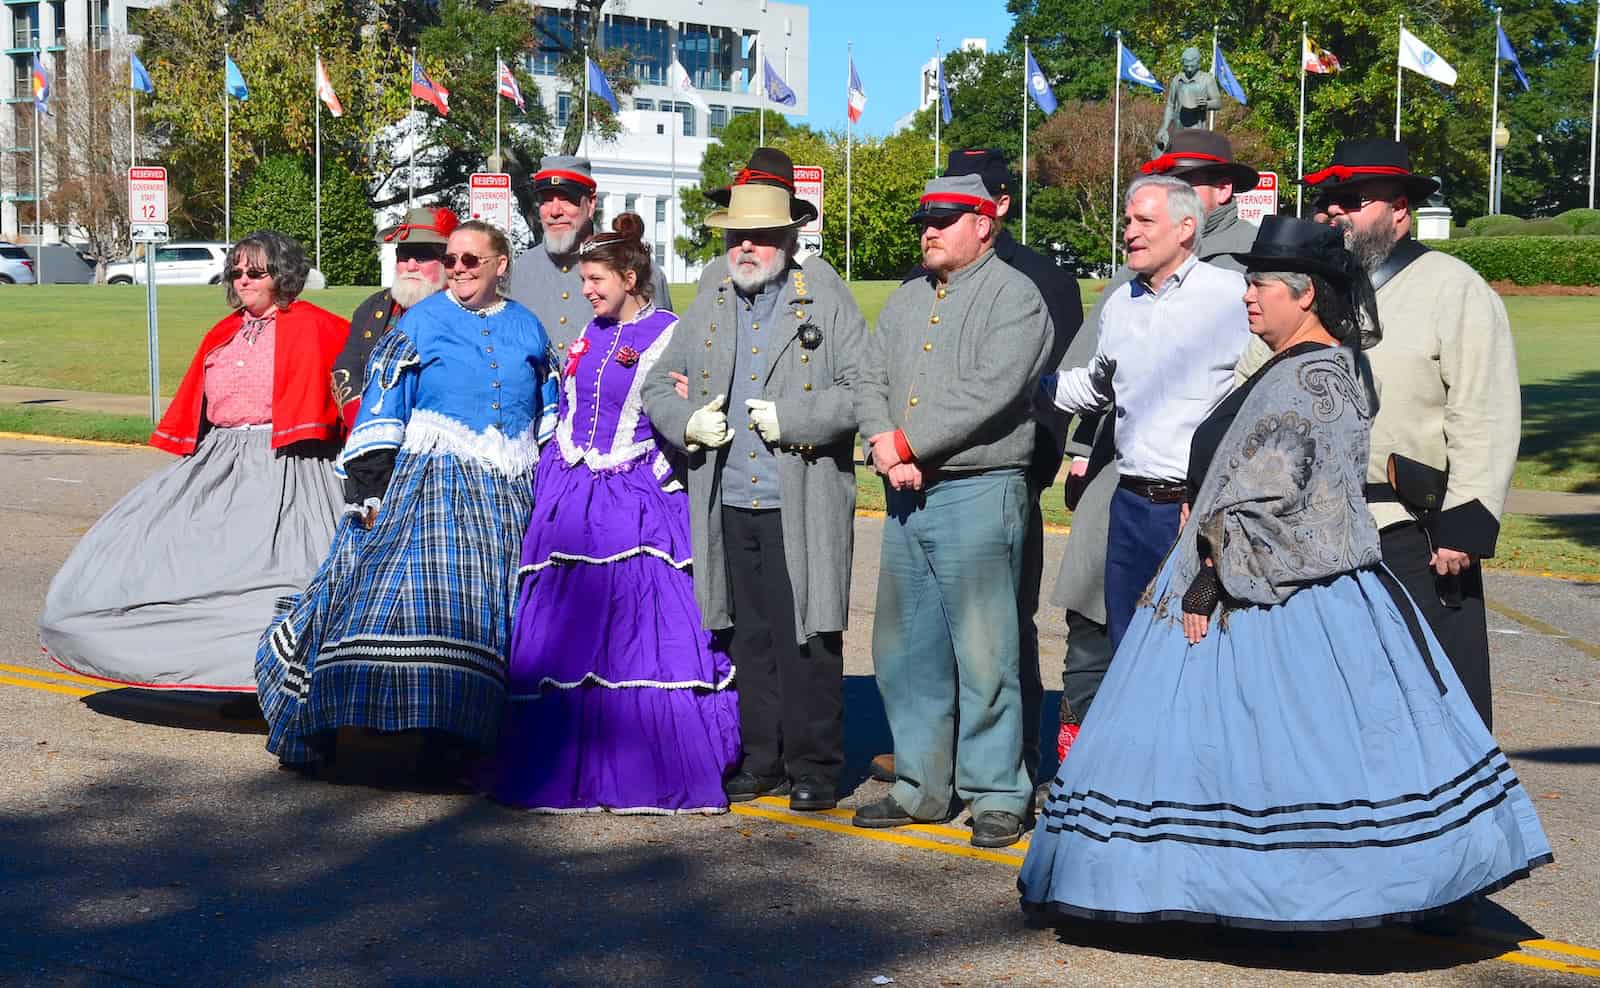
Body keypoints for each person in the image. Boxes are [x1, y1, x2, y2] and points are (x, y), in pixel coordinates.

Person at [1020, 216, 1551, 929]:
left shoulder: (1312, 377)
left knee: (1273, 745)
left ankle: (1260, 890)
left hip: (1264, 592)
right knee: (1236, 750)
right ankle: (1199, 883)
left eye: (1261, 284)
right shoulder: (1298, 364)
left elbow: (1279, 503)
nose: (1248, 297)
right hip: (1246, 572)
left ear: (1304, 295)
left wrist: (1210, 576)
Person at [256, 221, 559, 774]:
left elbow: (548, 411)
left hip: (510, 490)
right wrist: (369, 486)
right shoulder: (422, 322)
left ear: (501, 265)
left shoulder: (527, 328)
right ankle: (345, 725)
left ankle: (461, 742)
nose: (460, 269)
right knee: (403, 599)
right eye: (453, 259)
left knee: (491, 612)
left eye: (472, 260)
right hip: (431, 483)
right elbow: (383, 401)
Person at [1245, 138, 1516, 731]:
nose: (1336, 211)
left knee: (1437, 707)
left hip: (1413, 534)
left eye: (1355, 199)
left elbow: (1484, 410)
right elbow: (1248, 394)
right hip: (1306, 532)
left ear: (1400, 209)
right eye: (1331, 199)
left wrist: (1464, 524)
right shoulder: (1308, 289)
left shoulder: (1453, 286)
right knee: (1326, 706)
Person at [476, 213, 740, 814]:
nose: (587, 290)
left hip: (638, 493)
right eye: (584, 281)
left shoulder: (671, 332)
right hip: (570, 490)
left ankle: (645, 761)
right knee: (568, 630)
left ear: (630, 276)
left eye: (597, 280)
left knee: (639, 628)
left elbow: (683, 407)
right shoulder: (588, 334)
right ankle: (562, 760)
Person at [641, 148, 866, 813]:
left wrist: (797, 416)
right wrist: (685, 422)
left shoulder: (823, 288)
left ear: (788, 235)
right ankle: (760, 757)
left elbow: (862, 390)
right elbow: (658, 380)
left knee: (809, 636)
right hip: (728, 496)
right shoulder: (712, 286)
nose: (746, 247)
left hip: (802, 491)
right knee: (748, 635)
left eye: (761, 236)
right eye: (737, 235)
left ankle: (816, 767)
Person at [40, 231, 348, 694]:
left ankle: (272, 675)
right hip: (219, 461)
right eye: (237, 272)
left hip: (292, 467)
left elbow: (354, 401)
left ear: (283, 275)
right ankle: (215, 676)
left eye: (256, 272)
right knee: (154, 555)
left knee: (280, 572)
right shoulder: (224, 331)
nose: (243, 280)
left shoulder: (320, 327)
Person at [868, 147, 1084, 789]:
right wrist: (884, 439)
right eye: (924, 218)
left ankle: (995, 789)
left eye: (946, 216)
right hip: (906, 494)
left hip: (982, 489)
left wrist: (904, 445)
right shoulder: (908, 299)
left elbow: (991, 390)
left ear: (985, 222)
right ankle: (921, 784)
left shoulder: (1019, 297)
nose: (929, 229)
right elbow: (870, 378)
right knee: (906, 655)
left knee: (989, 654)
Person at [1048, 130, 1259, 765]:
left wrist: (1219, 496)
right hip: (1130, 502)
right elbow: (1096, 383)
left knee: (1197, 645)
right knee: (1122, 642)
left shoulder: (1235, 290)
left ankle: (1192, 786)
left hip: (1193, 508)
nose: (1130, 230)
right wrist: (1024, 389)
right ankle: (1111, 775)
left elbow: (1260, 397)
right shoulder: (1124, 299)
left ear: (1191, 223)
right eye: (1129, 218)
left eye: (1145, 219)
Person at [508, 155, 672, 351]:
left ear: (592, 204)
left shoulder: (635, 265)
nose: (554, 211)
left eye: (567, 199)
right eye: (546, 200)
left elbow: (664, 348)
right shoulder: (523, 268)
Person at [332, 206, 456, 427]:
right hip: (374, 430)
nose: (410, 266)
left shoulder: (463, 310)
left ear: (447, 261)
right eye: (404, 255)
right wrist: (363, 421)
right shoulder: (372, 308)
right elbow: (348, 365)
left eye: (423, 256)